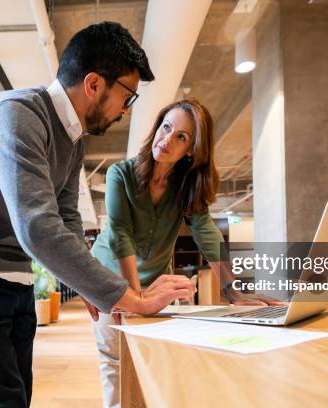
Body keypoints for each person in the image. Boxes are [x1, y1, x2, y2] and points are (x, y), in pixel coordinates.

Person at [0, 22, 194, 408]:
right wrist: (132, 298)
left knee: (16, 399)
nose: (124, 112)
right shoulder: (16, 115)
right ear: (94, 84)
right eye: (127, 97)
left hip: (12, 279)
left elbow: (66, 218)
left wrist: (85, 282)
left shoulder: (72, 137)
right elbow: (37, 226)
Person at [86, 98, 281, 408]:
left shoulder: (185, 185)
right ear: (156, 128)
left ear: (192, 149)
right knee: (115, 360)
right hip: (111, 282)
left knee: (157, 361)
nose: (167, 140)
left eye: (181, 137)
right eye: (166, 127)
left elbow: (205, 231)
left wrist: (233, 291)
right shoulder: (119, 174)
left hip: (155, 286)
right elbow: (119, 233)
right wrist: (135, 297)